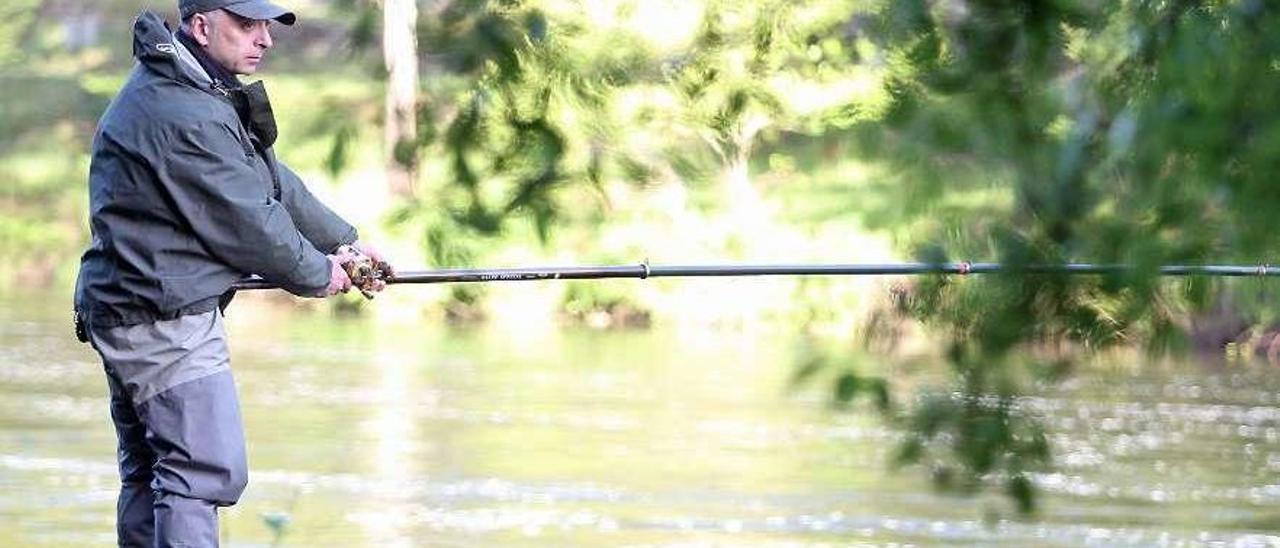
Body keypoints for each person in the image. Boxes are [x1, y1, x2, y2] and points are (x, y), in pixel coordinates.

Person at [73, 1, 390, 545]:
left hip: (135, 308)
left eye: (266, 25)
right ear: (202, 26)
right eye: (247, 25)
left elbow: (268, 178)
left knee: (156, 476)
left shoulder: (194, 88)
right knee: (202, 470)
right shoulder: (179, 109)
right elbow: (247, 219)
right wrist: (319, 273)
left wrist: (345, 243)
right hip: (159, 318)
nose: (263, 38)